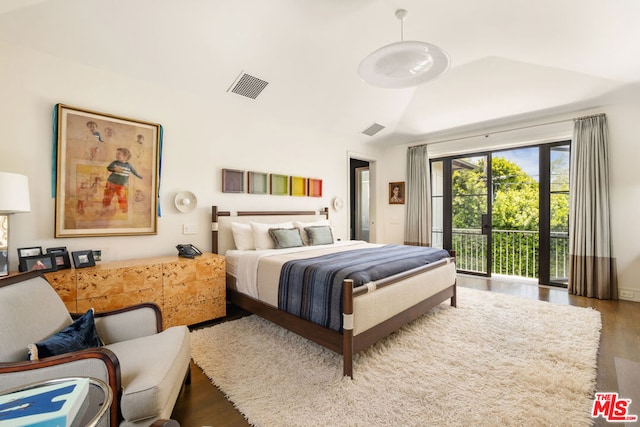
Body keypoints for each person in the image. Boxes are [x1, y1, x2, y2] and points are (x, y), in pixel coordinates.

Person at [102, 147, 143, 214]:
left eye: (119, 154)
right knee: (108, 195)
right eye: (117, 154)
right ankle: (105, 206)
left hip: (122, 185)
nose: (117, 155)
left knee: (122, 197)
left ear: (125, 157)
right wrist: (114, 169)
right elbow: (109, 168)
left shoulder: (129, 165)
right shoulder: (115, 162)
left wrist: (139, 176)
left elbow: (134, 172)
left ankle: (123, 208)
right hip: (111, 182)